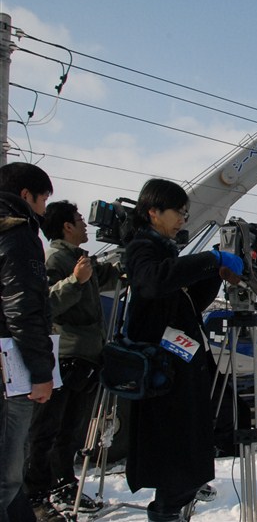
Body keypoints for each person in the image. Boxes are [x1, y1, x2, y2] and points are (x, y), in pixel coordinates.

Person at [123, 179, 242, 522]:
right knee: (175, 449)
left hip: (180, 362)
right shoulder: (142, 248)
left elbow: (188, 305)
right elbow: (154, 282)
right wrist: (210, 257)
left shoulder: (166, 252)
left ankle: (171, 507)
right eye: (178, 212)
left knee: (189, 446)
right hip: (163, 367)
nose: (183, 219)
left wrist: (214, 273)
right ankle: (165, 512)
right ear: (153, 212)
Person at [25, 201, 121, 518]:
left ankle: (65, 486)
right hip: (65, 356)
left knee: (68, 431)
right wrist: (74, 281)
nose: (85, 224)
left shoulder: (80, 259)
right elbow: (46, 304)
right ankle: (38, 495)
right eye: (79, 219)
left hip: (86, 356)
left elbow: (110, 275)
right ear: (67, 226)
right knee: (47, 432)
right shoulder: (56, 259)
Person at [0, 162, 54, 522]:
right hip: (11, 372)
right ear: (25, 196)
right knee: (6, 477)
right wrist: (40, 370)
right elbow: (24, 308)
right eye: (43, 200)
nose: (44, 210)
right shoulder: (18, 234)